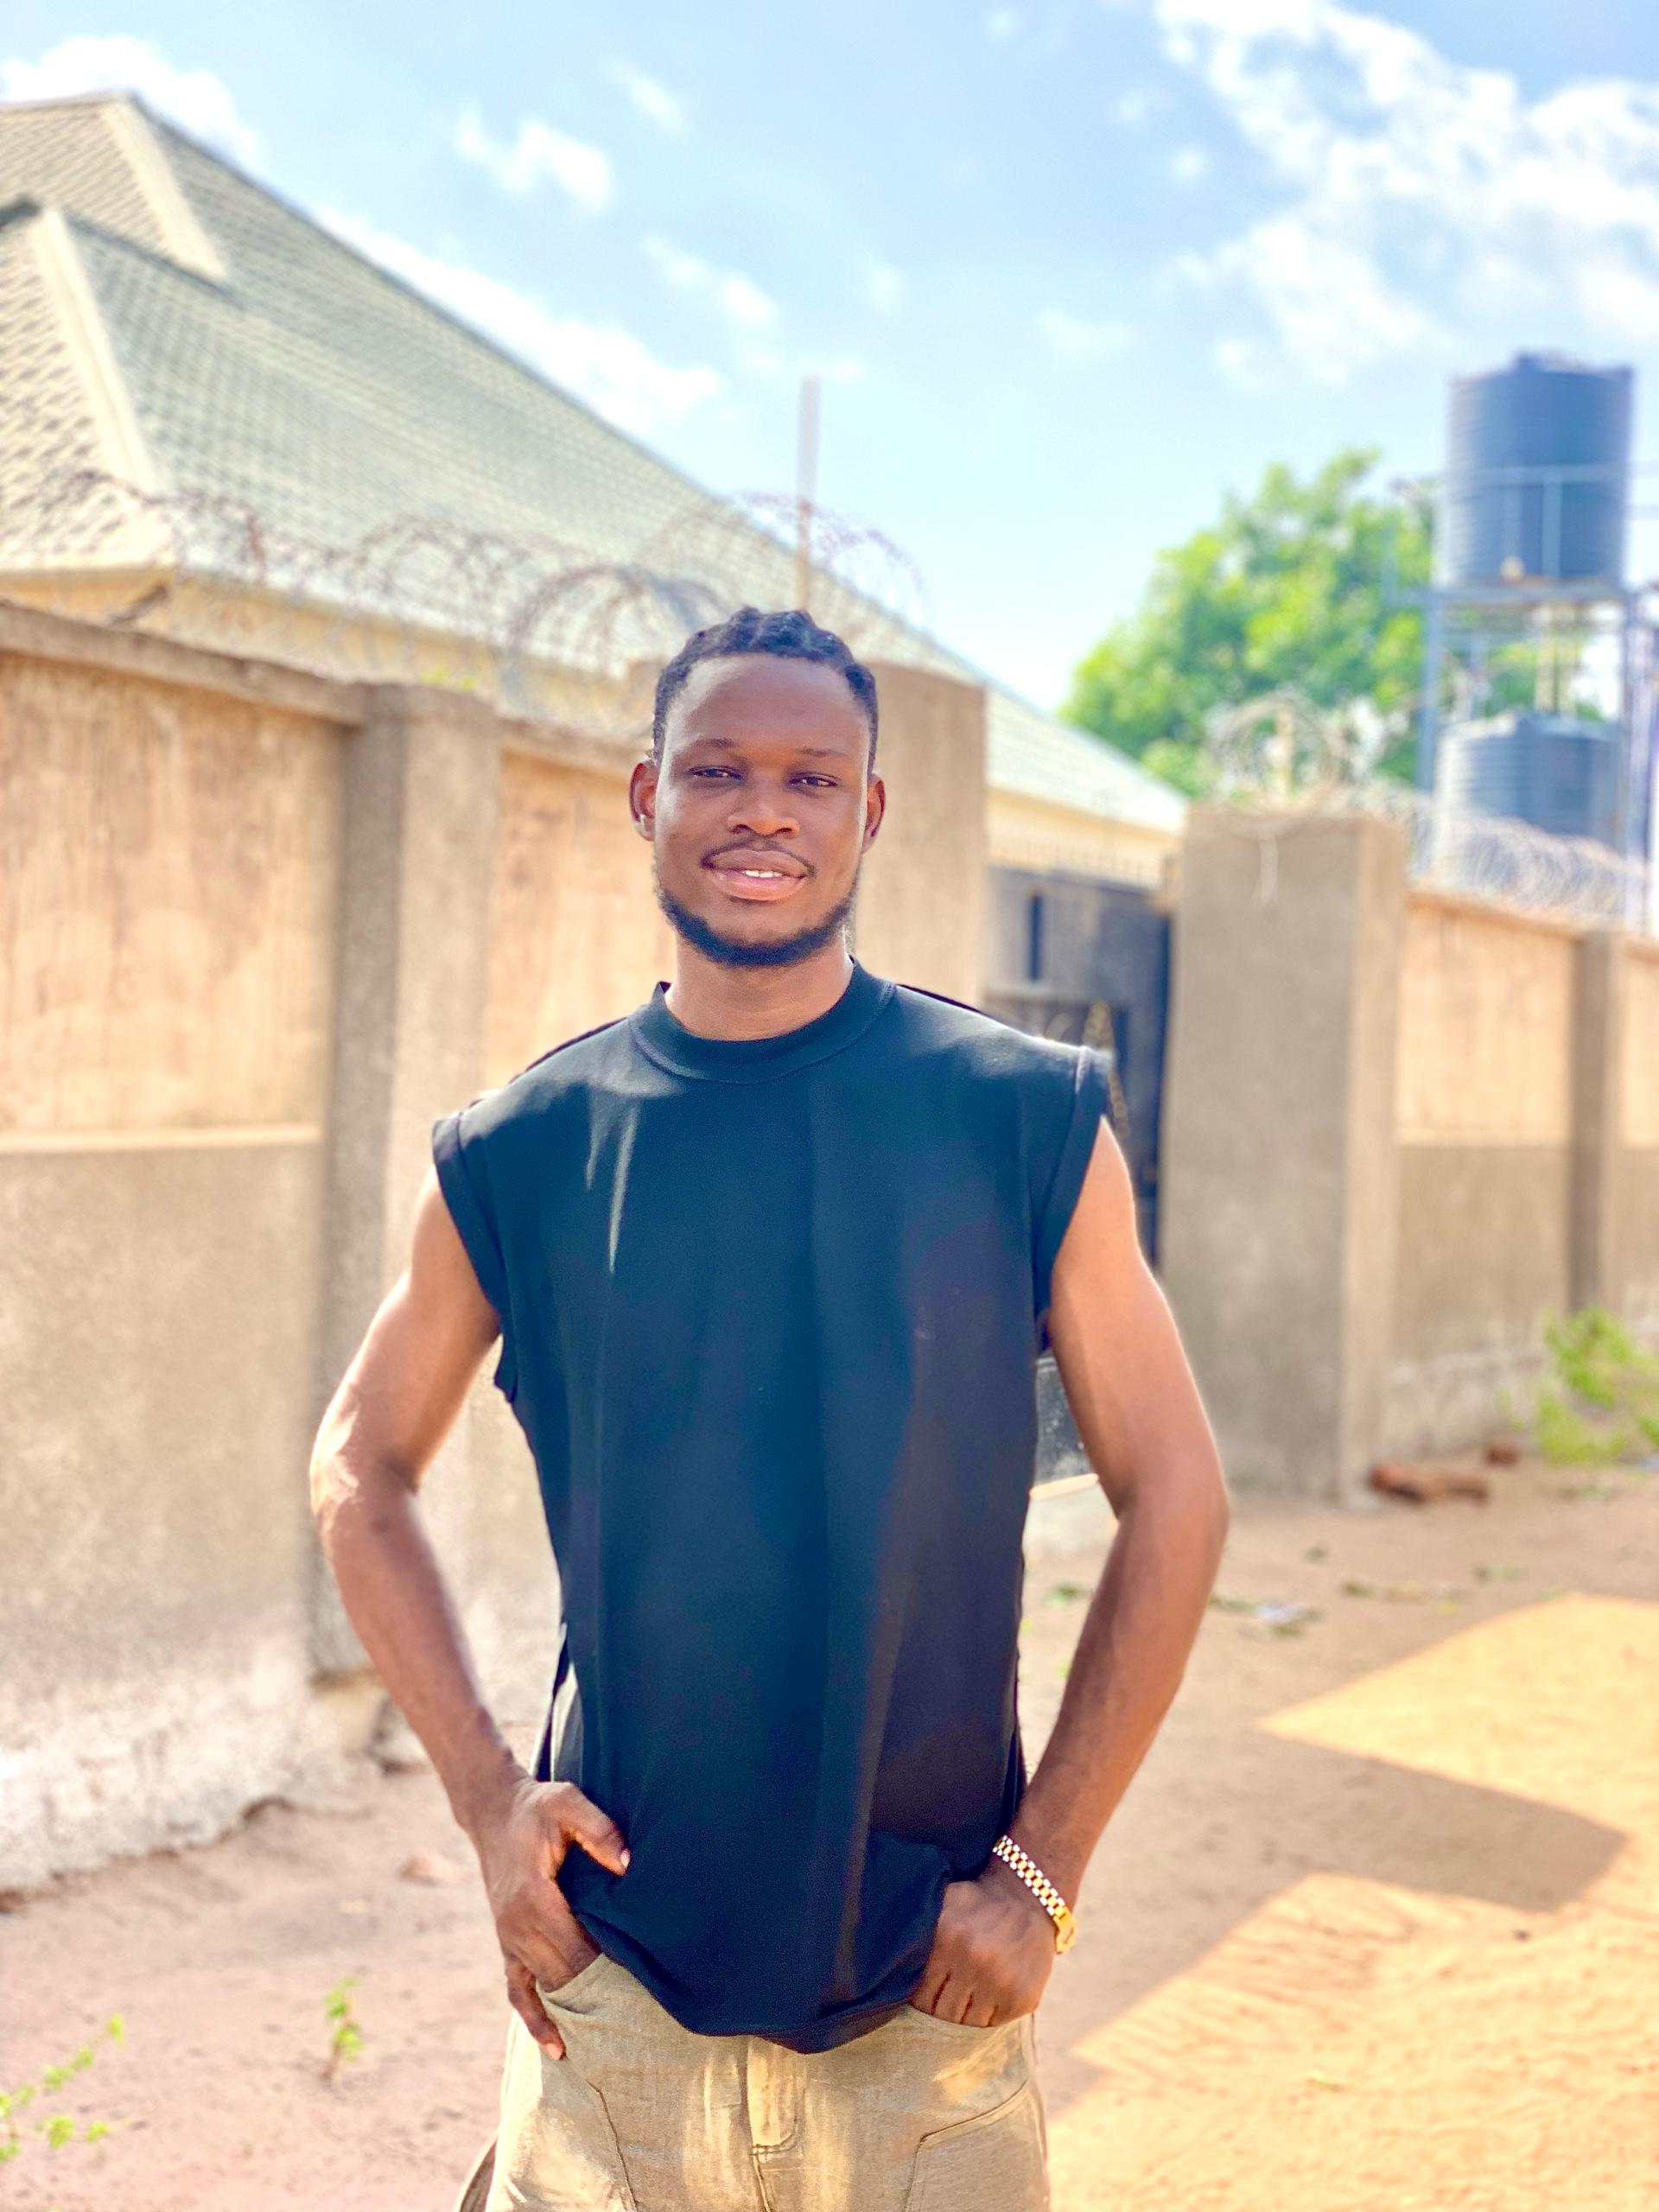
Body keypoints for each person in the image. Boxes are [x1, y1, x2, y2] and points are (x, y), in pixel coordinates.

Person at [310, 606, 1230, 2212]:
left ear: (867, 810)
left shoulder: (1019, 1118)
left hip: (926, 2003)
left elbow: (1179, 1492)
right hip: (616, 1997)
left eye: (812, 778)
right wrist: (485, 1801)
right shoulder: (523, 1150)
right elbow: (357, 1467)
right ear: (646, 794)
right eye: (718, 769)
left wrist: (1044, 1870)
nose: (763, 813)